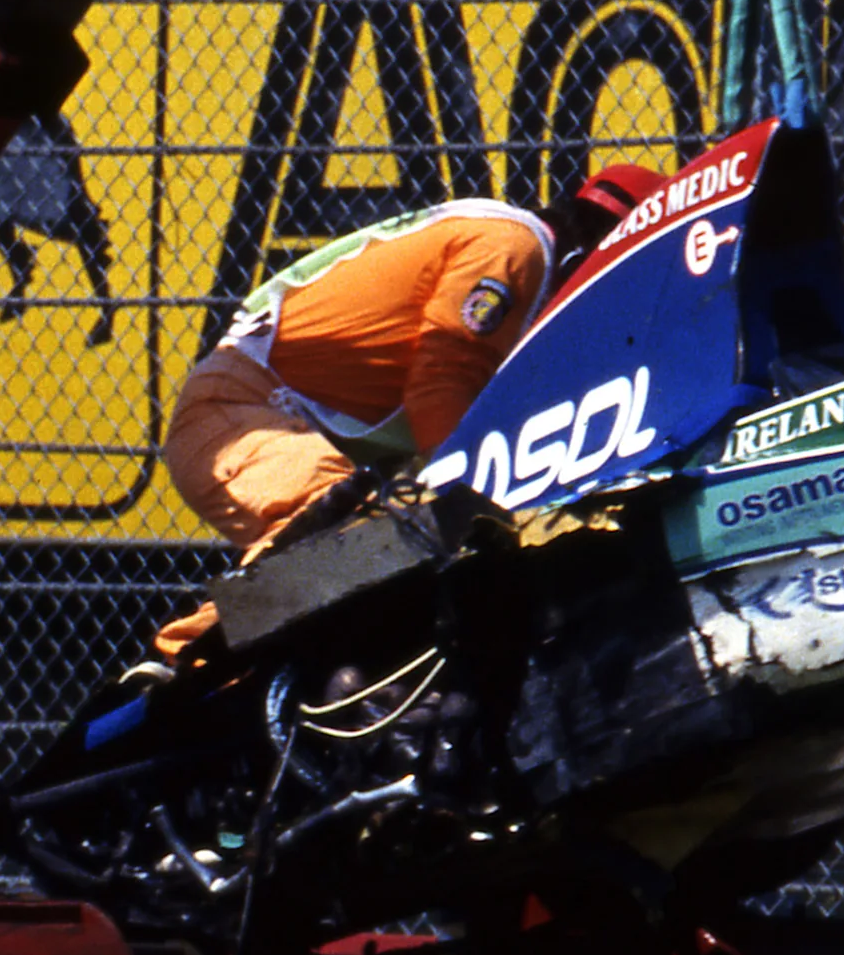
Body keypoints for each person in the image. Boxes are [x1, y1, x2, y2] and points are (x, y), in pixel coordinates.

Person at [150, 165, 664, 657]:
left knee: (381, 565)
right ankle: (185, 666)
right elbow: (441, 382)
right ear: (602, 249)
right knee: (343, 541)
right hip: (239, 410)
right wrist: (471, 498)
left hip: (267, 409)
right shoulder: (514, 249)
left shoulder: (517, 253)